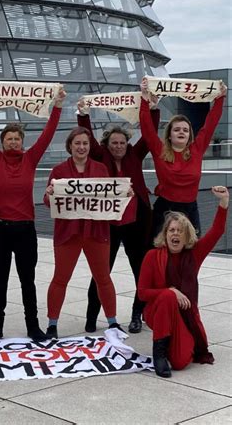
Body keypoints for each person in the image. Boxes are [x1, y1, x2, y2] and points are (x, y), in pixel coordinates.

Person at [0, 82, 66, 342]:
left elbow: (48, 132)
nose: (13, 142)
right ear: (2, 144)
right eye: (9, 139)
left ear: (22, 142)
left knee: (27, 281)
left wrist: (57, 106)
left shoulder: (31, 158)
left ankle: (33, 326)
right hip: (0, 229)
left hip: (25, 229)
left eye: (17, 139)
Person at [77, 97, 160, 333]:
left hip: (138, 221)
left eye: (122, 142)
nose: (118, 146)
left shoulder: (136, 154)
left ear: (128, 143)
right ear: (107, 143)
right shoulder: (100, 155)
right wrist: (83, 113)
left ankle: (137, 314)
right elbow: (88, 137)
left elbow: (151, 133)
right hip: (109, 223)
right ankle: (92, 315)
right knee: (102, 270)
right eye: (114, 142)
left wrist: (153, 108)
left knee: (140, 270)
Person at [138, 186, 229, 378]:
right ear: (165, 234)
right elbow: (142, 293)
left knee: (180, 362)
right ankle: (159, 353)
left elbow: (217, 231)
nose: (175, 234)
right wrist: (171, 291)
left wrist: (223, 202)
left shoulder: (194, 254)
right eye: (171, 230)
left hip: (183, 316)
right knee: (167, 296)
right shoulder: (152, 256)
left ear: (186, 235)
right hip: (157, 311)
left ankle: (171, 343)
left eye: (180, 231)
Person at [44, 127, 123, 338]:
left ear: (90, 146)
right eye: (77, 143)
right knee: (60, 278)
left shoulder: (100, 169)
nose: (81, 147)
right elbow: (48, 203)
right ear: (70, 146)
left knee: (103, 278)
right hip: (68, 233)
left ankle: (112, 322)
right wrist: (49, 194)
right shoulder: (59, 171)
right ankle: (52, 324)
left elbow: (111, 199)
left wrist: (124, 196)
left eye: (85, 143)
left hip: (96, 232)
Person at [139, 77, 227, 237]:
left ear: (189, 135)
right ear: (170, 135)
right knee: (161, 255)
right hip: (164, 210)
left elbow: (210, 124)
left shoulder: (197, 149)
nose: (181, 132)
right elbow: (147, 129)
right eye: (177, 129)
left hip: (190, 209)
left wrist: (220, 98)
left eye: (185, 130)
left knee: (191, 254)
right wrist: (144, 99)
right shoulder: (160, 150)